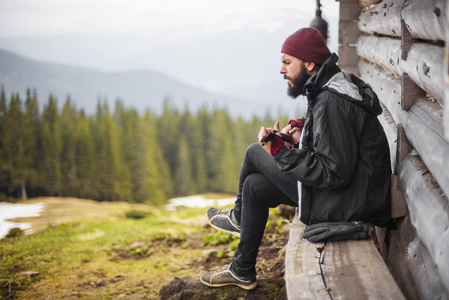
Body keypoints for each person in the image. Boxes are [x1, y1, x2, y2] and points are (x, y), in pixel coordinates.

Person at [199, 27, 391, 290]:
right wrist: (299, 139)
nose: (281, 70)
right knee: (254, 186)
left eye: (287, 62)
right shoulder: (329, 85)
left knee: (255, 151)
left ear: (309, 63)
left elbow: (333, 172)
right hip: (353, 194)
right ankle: (242, 269)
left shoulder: (331, 101)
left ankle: (239, 217)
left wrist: (278, 150)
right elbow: (335, 150)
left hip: (348, 204)